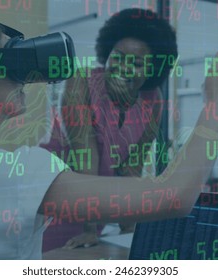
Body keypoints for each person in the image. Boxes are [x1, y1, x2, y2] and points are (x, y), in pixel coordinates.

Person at [0, 14, 218, 259]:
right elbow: (173, 198)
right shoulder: (19, 172)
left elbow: (137, 171)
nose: (28, 78)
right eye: (15, 64)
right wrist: (217, 107)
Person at [40, 8, 177, 250]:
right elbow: (86, 162)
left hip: (95, 212)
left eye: (136, 63)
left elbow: (133, 168)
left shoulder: (152, 99)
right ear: (107, 52)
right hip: (58, 207)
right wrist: (89, 229)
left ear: (151, 70)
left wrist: (129, 226)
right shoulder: (80, 82)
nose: (123, 68)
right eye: (118, 56)